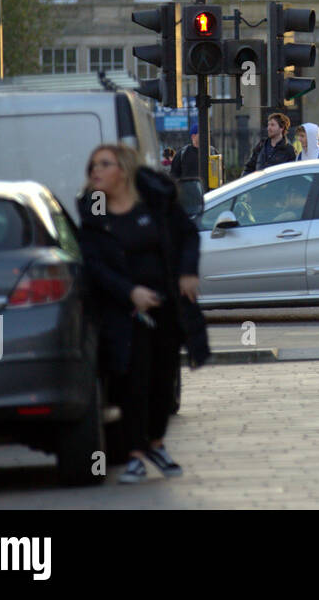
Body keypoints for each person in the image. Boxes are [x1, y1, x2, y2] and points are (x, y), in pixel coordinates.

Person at [77, 143, 208, 484]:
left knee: (163, 379)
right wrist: (129, 292)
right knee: (132, 380)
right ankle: (135, 454)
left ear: (123, 169)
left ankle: (156, 444)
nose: (96, 171)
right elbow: (93, 263)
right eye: (93, 165)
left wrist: (187, 272)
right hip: (123, 312)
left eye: (104, 164)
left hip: (165, 306)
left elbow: (188, 235)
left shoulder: (156, 202)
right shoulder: (94, 211)